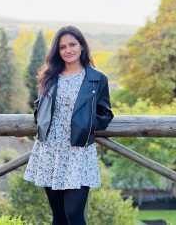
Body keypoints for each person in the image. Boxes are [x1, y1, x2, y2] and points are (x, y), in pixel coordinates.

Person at [24, 26, 114, 225]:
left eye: (72, 44)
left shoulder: (96, 78)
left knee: (74, 213)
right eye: (62, 47)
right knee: (58, 215)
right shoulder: (49, 76)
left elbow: (105, 114)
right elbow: (39, 107)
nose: (68, 50)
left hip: (78, 151)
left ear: (82, 45)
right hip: (50, 151)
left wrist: (87, 125)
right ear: (58, 51)